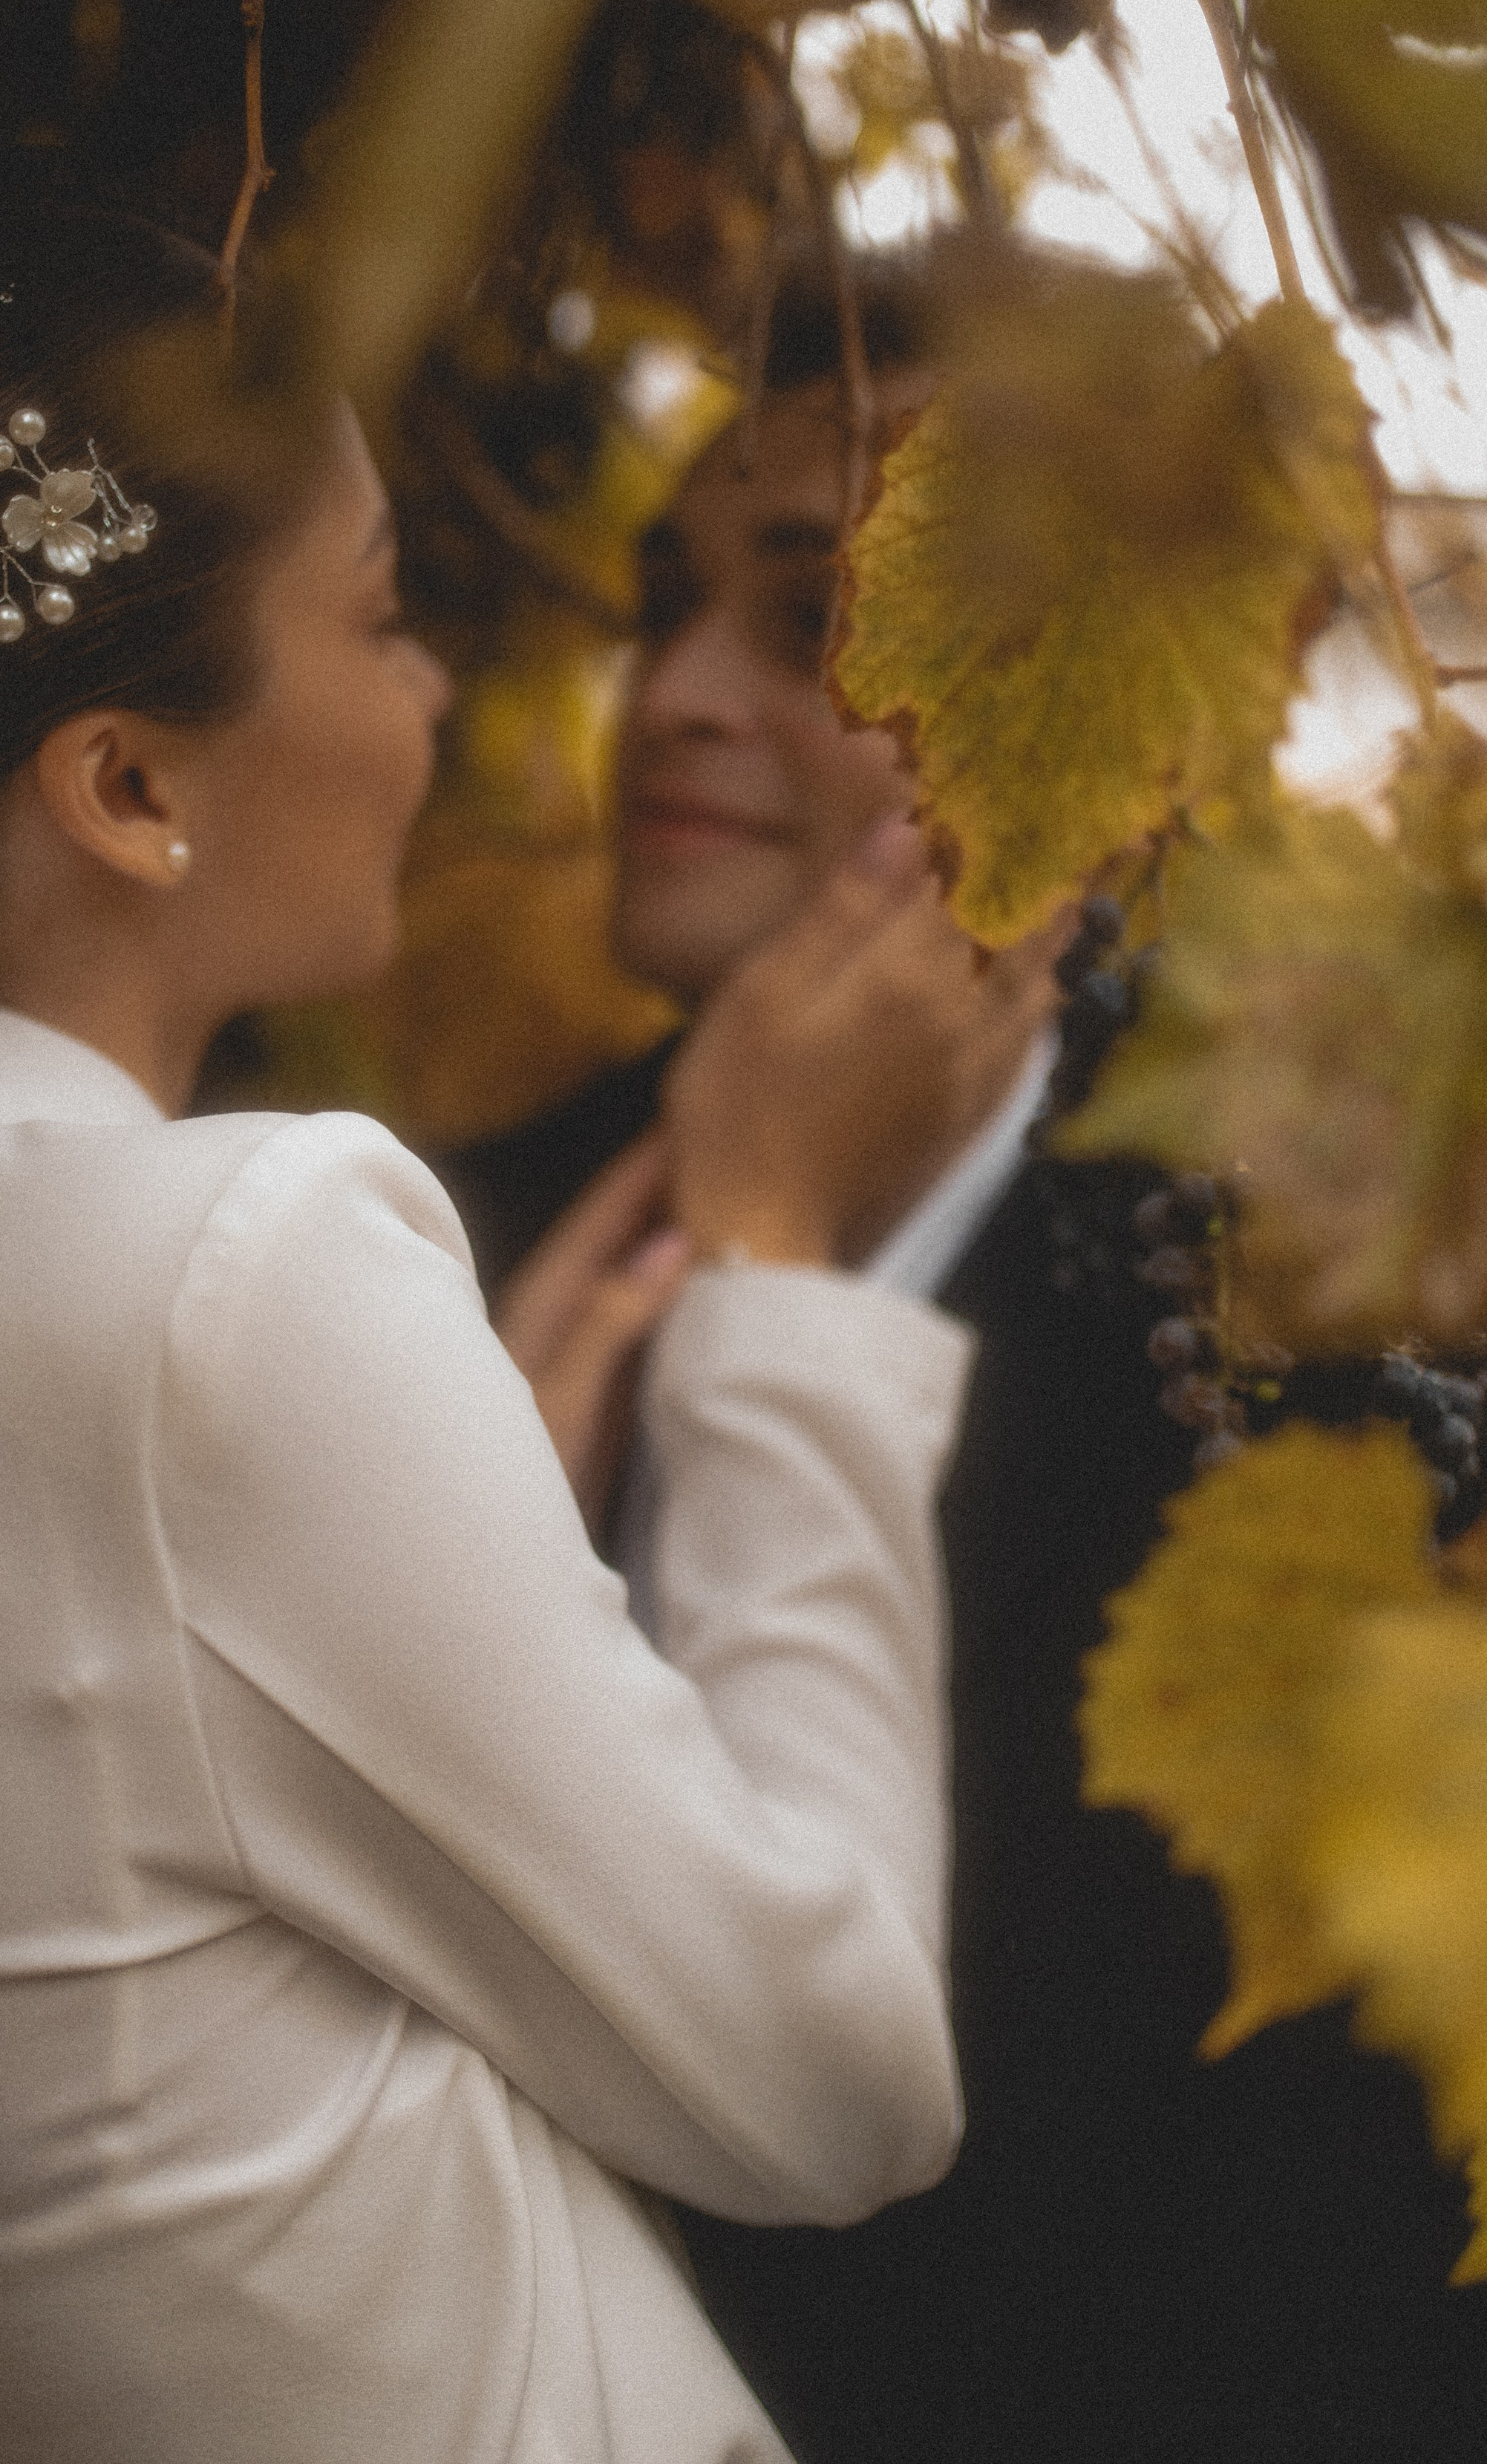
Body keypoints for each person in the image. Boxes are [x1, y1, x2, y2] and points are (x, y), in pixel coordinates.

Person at [0, 182, 1059, 2464]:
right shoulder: (226, 1268)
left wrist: (482, 1539)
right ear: (131, 784)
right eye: (381, 613)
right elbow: (839, 2075)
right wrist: (772, 1272)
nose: (445, 689)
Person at [443, 267, 1487, 2464]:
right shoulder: (417, 1241)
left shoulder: (1325, 1354)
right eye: (673, 596)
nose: (683, 696)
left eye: (821, 611)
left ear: (1121, 697)